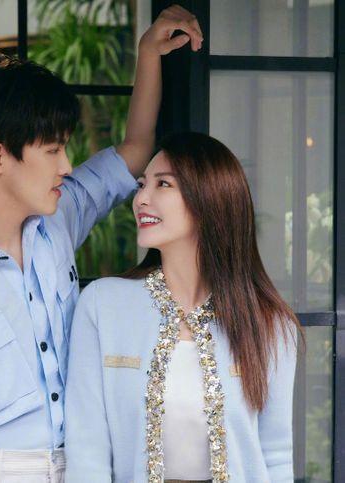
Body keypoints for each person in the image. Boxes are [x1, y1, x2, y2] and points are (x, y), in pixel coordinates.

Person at [0, 5, 204, 482]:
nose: (67, 166)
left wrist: (149, 53)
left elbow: (135, 152)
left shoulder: (57, 219)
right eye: (53, 150)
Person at [64, 131, 301, 483]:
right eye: (142, 184)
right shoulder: (102, 306)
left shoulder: (270, 324)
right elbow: (87, 455)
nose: (141, 198)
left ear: (209, 200)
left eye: (163, 184)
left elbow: (276, 456)